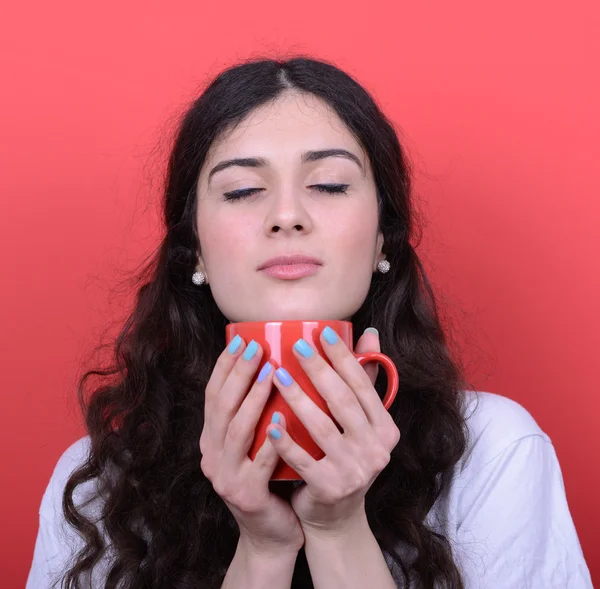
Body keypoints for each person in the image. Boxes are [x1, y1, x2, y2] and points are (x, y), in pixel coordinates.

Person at [26, 56, 593, 589]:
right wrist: (263, 549)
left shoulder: (494, 451)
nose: (288, 216)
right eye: (243, 190)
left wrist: (338, 530)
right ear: (194, 250)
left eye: (329, 185)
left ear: (382, 240)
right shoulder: (98, 486)